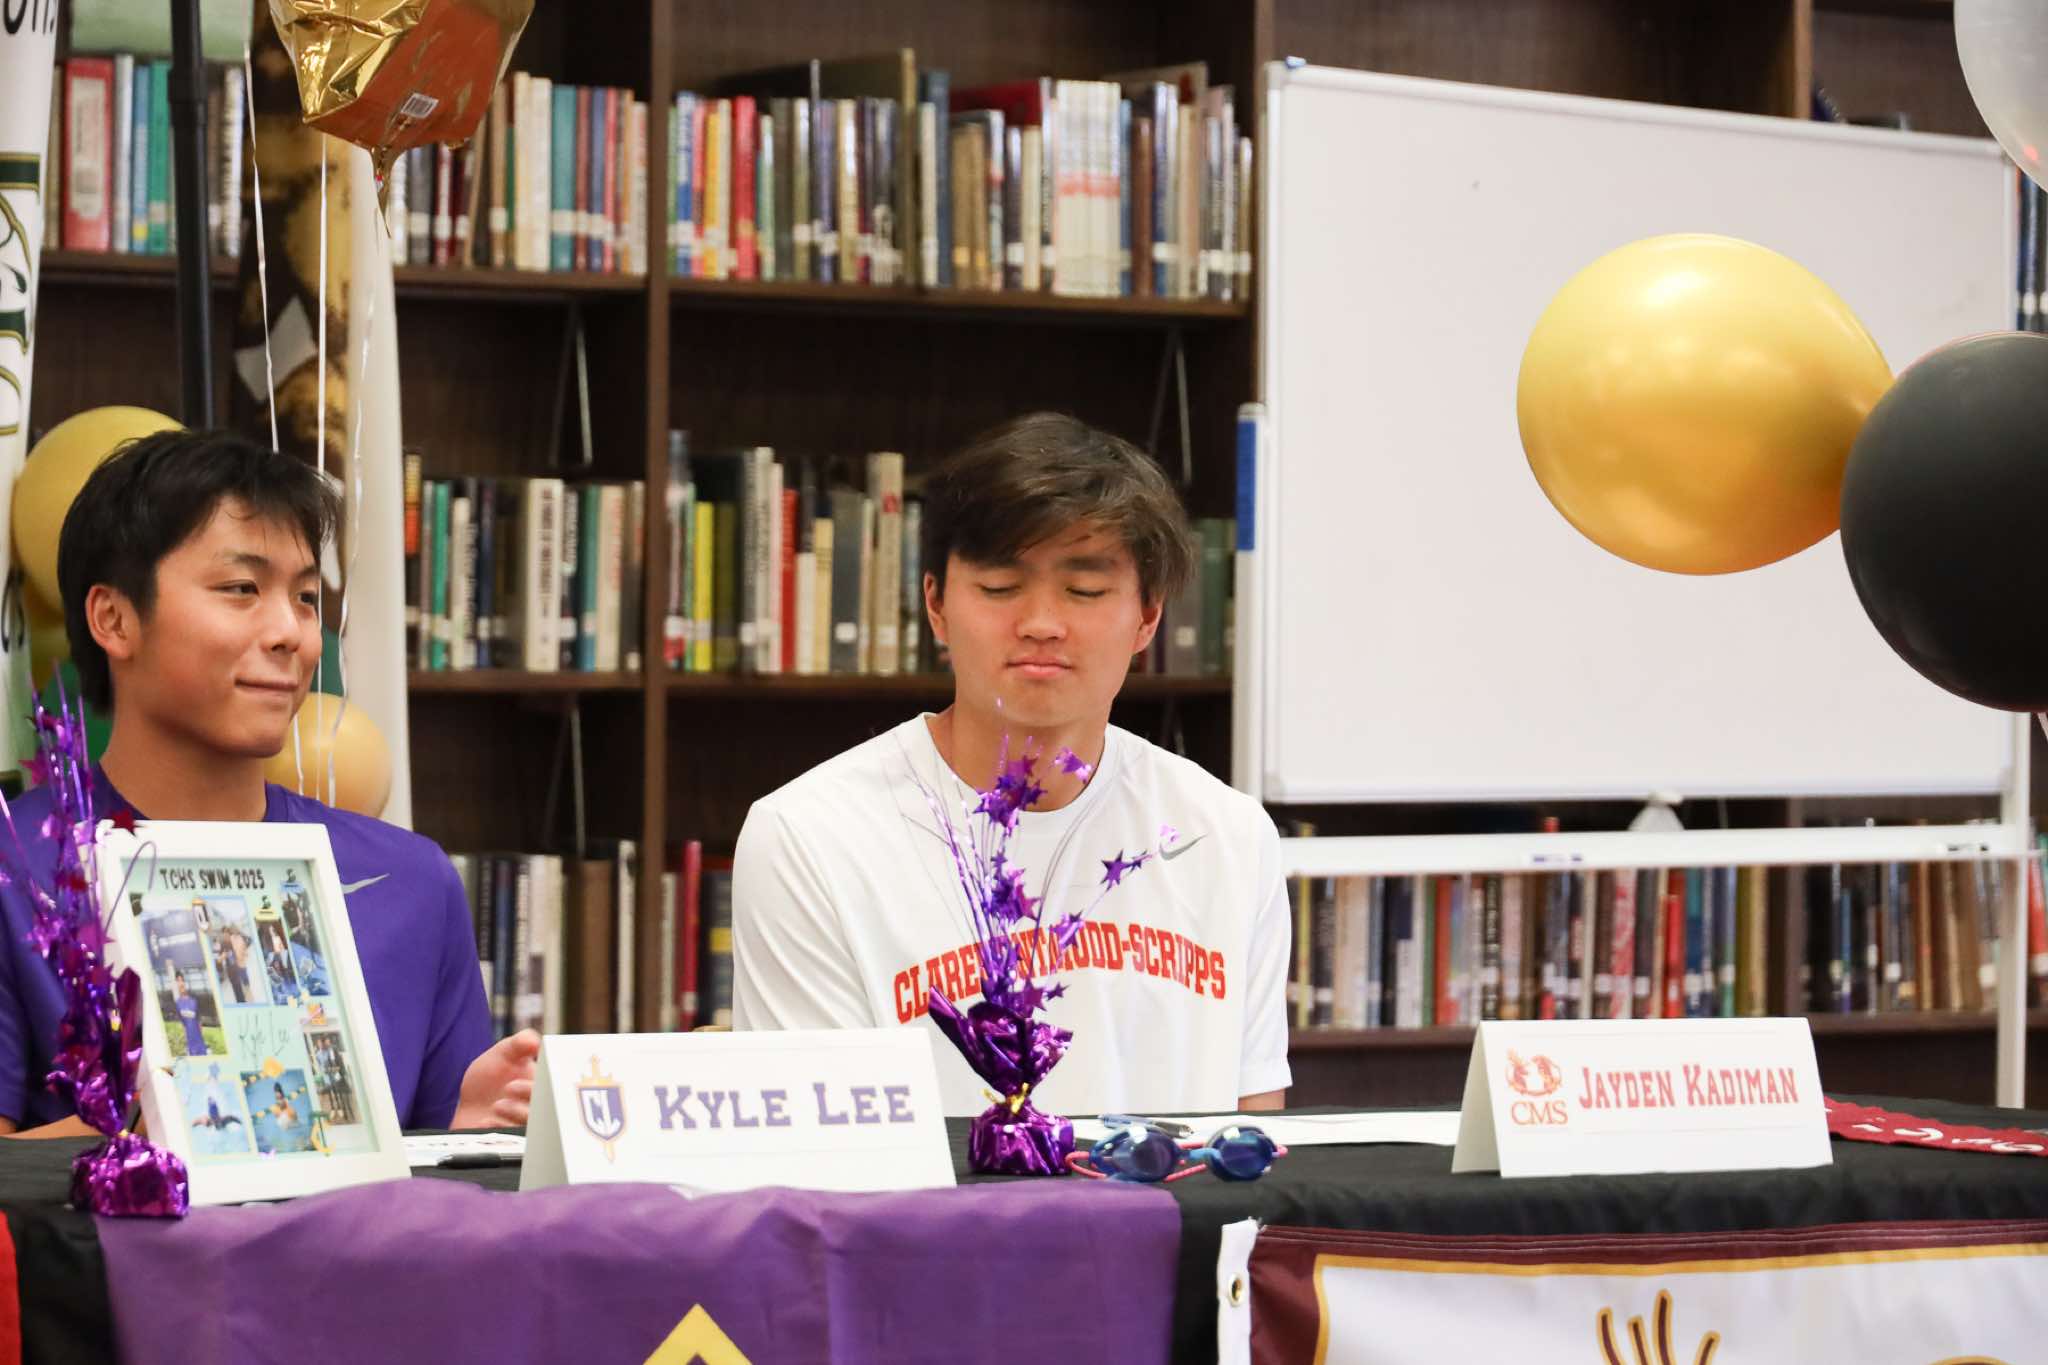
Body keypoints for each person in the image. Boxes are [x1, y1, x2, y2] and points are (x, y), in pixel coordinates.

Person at [732, 413, 1292, 1117]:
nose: (1041, 623)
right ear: (936, 604)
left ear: (1148, 616)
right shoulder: (808, 838)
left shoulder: (1228, 837)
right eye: (1000, 586)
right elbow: (821, 1155)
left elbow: (1256, 1138)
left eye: (1085, 591)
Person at [0, 429, 536, 1136]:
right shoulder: (16, 867)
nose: (292, 633)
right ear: (114, 618)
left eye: (307, 597)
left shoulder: (411, 881)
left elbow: (440, 1183)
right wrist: (184, 1114)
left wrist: (467, 1136)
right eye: (242, 589)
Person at [172, 970, 208, 1057]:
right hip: (190, 1041)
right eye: (178, 981)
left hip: (199, 1039)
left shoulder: (194, 999)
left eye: (182, 980)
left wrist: (201, 1033)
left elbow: (199, 1018)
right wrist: (186, 1039)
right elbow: (183, 1023)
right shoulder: (178, 1003)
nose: (180, 983)